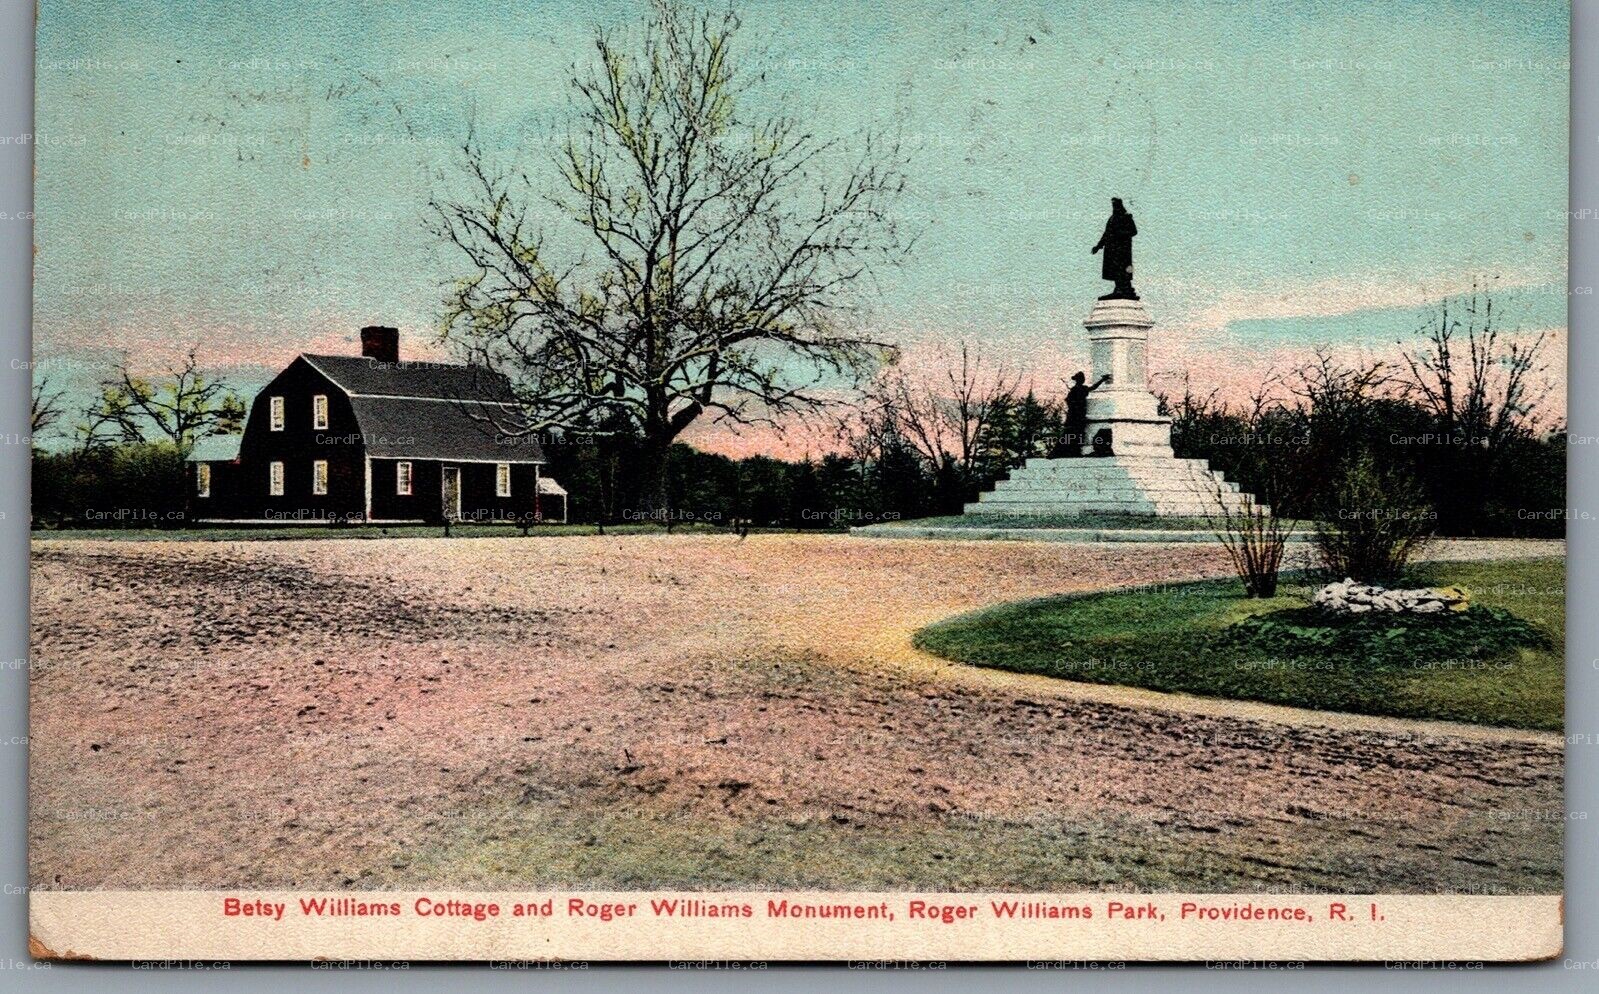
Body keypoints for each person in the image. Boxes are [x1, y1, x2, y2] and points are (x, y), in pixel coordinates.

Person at [1090, 197, 1138, 300]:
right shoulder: (1112, 218)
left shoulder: (1126, 217)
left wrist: (1120, 234)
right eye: (1113, 205)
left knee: (1123, 269)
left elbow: (1133, 231)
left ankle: (1124, 289)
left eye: (1115, 205)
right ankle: (1119, 289)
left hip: (1122, 250)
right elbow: (1106, 234)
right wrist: (1098, 246)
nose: (1114, 207)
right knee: (1115, 270)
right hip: (1112, 250)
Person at [1060, 371, 1111, 456]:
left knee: (1071, 434)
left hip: (1072, 416)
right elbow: (1093, 387)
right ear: (1081, 380)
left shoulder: (1074, 389)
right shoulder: (1082, 389)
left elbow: (1068, 400)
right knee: (1078, 434)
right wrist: (1102, 380)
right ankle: (1074, 451)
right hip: (1079, 416)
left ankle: (1071, 451)